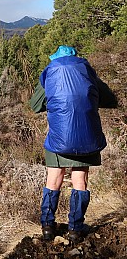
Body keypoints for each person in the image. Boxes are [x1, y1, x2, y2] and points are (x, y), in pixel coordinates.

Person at [29, 45, 117, 242]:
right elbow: (110, 99)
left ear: (55, 59)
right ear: (76, 58)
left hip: (58, 136)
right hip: (86, 135)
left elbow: (35, 106)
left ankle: (48, 227)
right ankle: (75, 229)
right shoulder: (86, 72)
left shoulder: (50, 73)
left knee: (54, 179)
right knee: (80, 181)